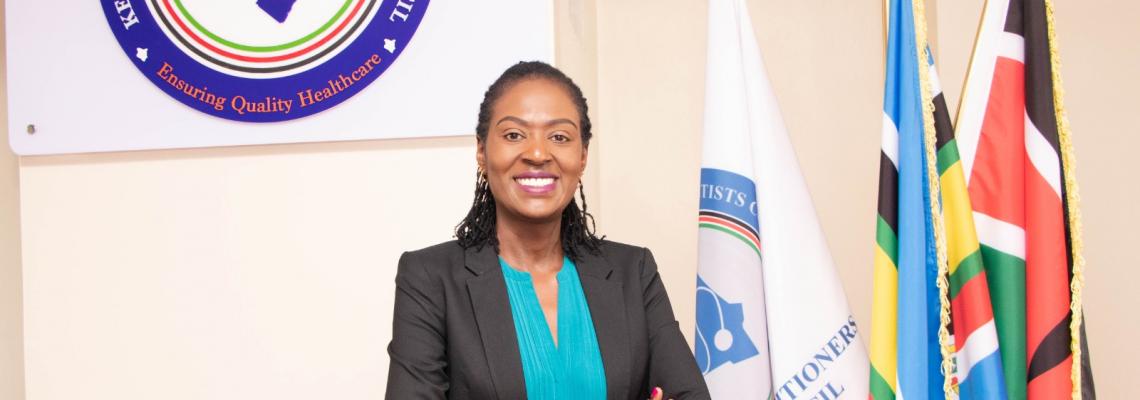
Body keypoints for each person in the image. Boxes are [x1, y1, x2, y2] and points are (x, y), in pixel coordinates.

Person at [386, 61, 710, 400]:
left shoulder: (634, 272)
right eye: (514, 135)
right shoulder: (428, 278)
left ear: (582, 156)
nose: (538, 153)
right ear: (482, 151)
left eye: (559, 137)